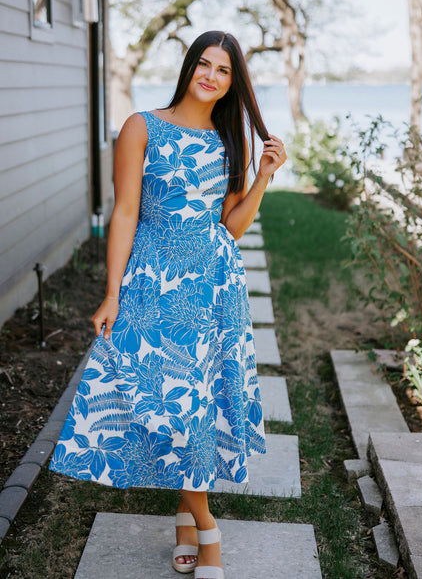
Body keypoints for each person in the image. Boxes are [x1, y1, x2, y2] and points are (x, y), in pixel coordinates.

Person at [49, 30, 286, 579]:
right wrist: (112, 292)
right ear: (188, 67)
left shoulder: (231, 140)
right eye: (204, 64)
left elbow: (231, 226)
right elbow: (125, 212)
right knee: (166, 405)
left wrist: (263, 178)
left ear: (232, 83)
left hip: (213, 285)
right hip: (152, 281)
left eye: (223, 70)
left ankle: (186, 519)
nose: (211, 76)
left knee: (197, 404)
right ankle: (208, 528)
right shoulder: (142, 127)